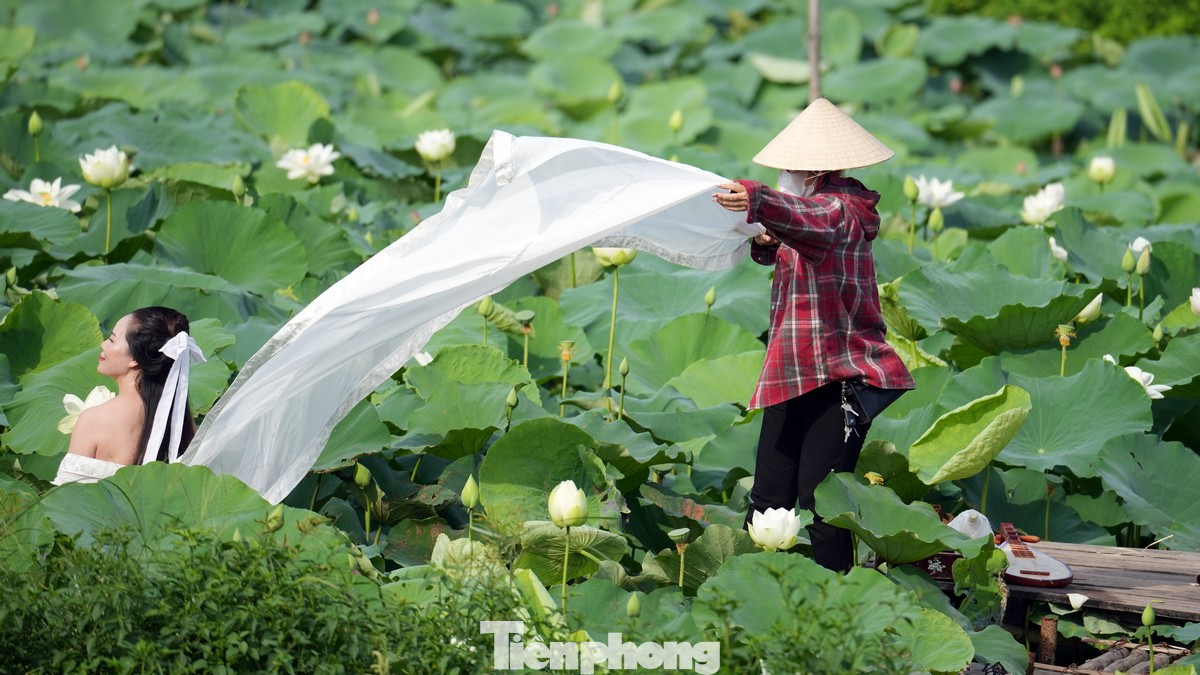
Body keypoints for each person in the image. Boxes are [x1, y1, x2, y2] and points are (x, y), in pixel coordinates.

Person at [713, 98, 915, 572]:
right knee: (768, 496)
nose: (786, 171)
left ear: (815, 170)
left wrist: (761, 200)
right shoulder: (804, 213)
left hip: (840, 375)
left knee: (823, 500)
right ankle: (755, 600)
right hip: (794, 368)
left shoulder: (842, 210)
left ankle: (837, 605)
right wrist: (767, 237)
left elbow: (815, 223)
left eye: (792, 166)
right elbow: (795, 234)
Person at [54, 306, 205, 485]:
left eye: (111, 339)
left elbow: (65, 500)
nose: (103, 344)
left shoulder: (93, 419)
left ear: (134, 359)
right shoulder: (185, 425)